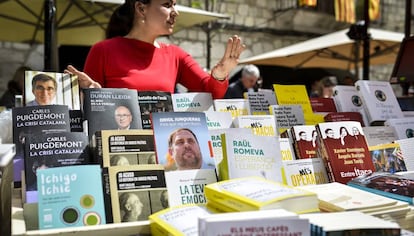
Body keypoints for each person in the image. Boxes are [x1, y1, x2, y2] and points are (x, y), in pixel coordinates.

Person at [64, 0, 245, 99]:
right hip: (119, 154)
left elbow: (211, 93)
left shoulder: (176, 55)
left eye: (175, 4)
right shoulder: (102, 51)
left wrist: (221, 73)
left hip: (165, 153)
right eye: (167, 5)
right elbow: (87, 112)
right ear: (141, 8)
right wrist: (93, 94)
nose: (176, 12)